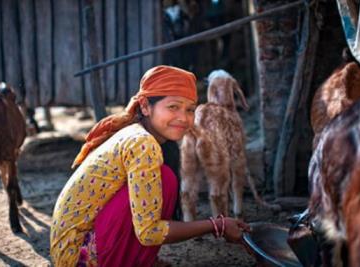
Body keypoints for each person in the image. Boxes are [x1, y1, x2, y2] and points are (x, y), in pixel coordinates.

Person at [50, 65, 251, 267]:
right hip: (77, 258)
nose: (183, 117)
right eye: (173, 107)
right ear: (145, 106)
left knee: (164, 179)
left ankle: (136, 259)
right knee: (165, 179)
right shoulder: (142, 143)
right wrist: (217, 225)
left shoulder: (139, 135)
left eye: (190, 109)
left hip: (71, 249)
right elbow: (149, 232)